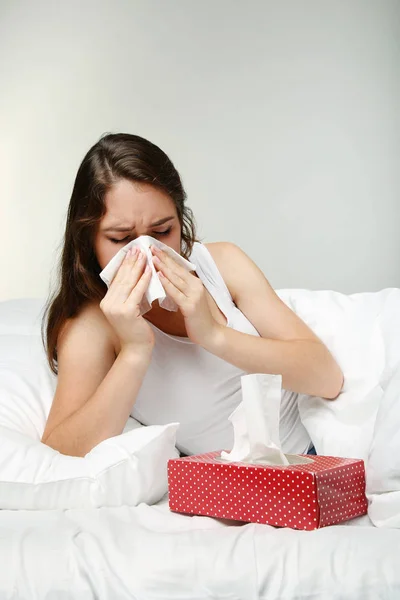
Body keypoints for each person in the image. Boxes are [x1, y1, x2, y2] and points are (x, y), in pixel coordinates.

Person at [41, 133, 344, 458]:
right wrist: (134, 351)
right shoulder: (92, 323)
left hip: (317, 455)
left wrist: (214, 335)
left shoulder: (222, 264)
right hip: (233, 485)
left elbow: (327, 378)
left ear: (180, 219)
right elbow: (59, 449)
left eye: (162, 232)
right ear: (88, 240)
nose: (146, 251)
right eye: (121, 238)